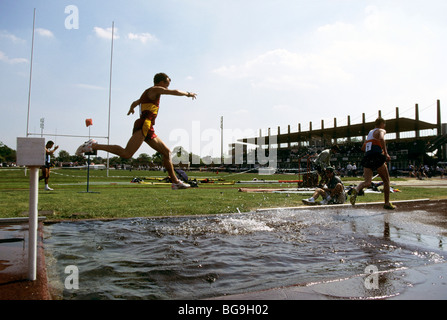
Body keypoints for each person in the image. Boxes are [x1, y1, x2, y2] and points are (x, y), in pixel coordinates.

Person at [76, 73, 197, 190]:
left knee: (166, 152)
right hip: (144, 125)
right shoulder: (155, 89)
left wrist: (131, 108)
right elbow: (174, 92)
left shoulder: (149, 93)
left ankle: (175, 182)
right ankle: (93, 145)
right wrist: (188, 94)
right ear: (161, 82)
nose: (167, 87)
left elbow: (136, 102)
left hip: (148, 126)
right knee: (126, 153)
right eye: (166, 84)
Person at [350, 117, 395, 210]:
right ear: (382, 124)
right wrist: (385, 154)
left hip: (367, 157)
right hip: (376, 157)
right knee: (386, 181)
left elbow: (363, 148)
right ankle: (386, 203)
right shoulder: (381, 130)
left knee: (367, 182)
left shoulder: (370, 132)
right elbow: (382, 139)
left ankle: (357, 189)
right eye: (384, 124)